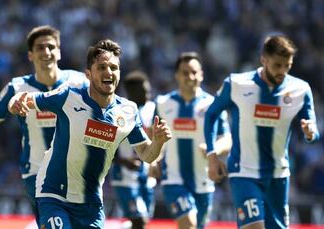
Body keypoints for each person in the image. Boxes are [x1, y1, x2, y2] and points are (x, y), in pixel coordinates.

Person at [8, 39, 172, 229]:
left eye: (113, 67)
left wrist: (158, 142)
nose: (108, 72)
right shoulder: (69, 96)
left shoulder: (128, 111)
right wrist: (15, 103)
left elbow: (147, 155)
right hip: (54, 195)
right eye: (101, 67)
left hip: (91, 204)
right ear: (88, 74)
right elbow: (23, 99)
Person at [0, 25, 87, 225]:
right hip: (37, 174)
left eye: (51, 47)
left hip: (76, 172)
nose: (46, 52)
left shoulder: (80, 83)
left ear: (59, 51)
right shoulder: (17, 87)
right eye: (40, 48)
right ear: (31, 55)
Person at [204, 35, 320, 229]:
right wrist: (212, 156)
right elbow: (211, 115)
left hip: (278, 175)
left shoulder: (300, 89)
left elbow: (313, 130)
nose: (282, 71)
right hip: (243, 172)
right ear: (263, 59)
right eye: (277, 65)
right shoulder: (237, 84)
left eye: (287, 66)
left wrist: (309, 133)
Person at [154, 52, 232, 229]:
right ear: (177, 75)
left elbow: (227, 139)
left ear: (202, 74)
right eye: (185, 72)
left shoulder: (214, 105)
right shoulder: (163, 103)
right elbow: (154, 139)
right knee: (188, 224)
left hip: (204, 182)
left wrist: (213, 149)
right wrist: (153, 161)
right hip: (173, 180)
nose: (190, 77)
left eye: (194, 72)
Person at [111, 70, 157, 229]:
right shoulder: (118, 110)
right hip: (124, 174)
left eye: (149, 91)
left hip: (145, 173)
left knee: (143, 219)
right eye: (144, 91)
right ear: (131, 92)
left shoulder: (152, 109)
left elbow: (156, 139)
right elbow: (106, 146)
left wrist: (155, 162)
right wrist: (123, 161)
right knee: (139, 221)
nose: (148, 94)